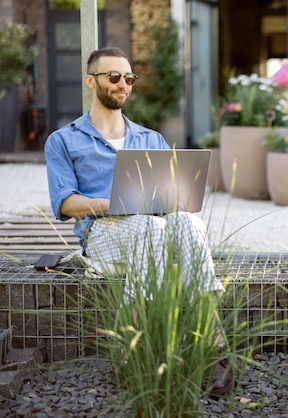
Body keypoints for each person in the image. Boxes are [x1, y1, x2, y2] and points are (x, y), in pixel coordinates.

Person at [44, 46, 232, 395]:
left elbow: (170, 198)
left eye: (128, 78)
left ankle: (213, 342)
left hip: (155, 229)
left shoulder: (151, 139)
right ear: (91, 81)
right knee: (151, 226)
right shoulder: (64, 140)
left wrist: (178, 197)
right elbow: (66, 202)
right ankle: (133, 348)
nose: (123, 85)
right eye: (113, 77)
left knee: (187, 223)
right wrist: (114, 204)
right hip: (102, 234)